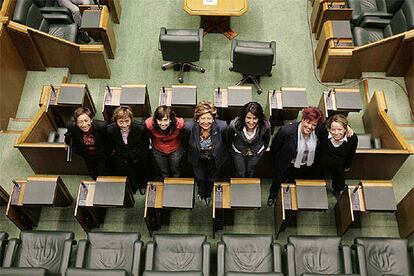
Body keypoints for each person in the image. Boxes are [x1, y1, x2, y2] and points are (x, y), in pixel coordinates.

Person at [268, 107, 324, 206]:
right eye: (308, 122)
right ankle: (273, 195)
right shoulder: (286, 131)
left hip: (304, 165)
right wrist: (279, 160)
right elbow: (275, 147)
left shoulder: (318, 131)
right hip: (286, 163)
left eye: (314, 124)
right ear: (302, 119)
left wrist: (348, 129)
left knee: (294, 181)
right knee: (278, 180)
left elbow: (333, 123)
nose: (310, 126)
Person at [184, 101, 228, 205]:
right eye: (203, 118)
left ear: (213, 119)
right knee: (200, 177)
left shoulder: (222, 126)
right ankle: (201, 191)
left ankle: (208, 193)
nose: (206, 122)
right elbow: (185, 143)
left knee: (212, 177)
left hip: (215, 158)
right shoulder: (189, 128)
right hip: (197, 158)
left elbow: (226, 142)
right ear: (197, 119)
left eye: (209, 118)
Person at [106, 106, 150, 195]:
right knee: (129, 172)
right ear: (116, 121)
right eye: (121, 122)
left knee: (141, 171)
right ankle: (133, 187)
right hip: (122, 155)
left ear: (131, 119)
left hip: (138, 154)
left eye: (127, 121)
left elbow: (145, 142)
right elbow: (111, 144)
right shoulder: (110, 130)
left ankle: (142, 186)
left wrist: (142, 153)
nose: (124, 125)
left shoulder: (140, 128)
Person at [316, 114, 358, 196]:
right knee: (317, 176)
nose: (336, 133)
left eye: (340, 129)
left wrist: (347, 165)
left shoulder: (352, 138)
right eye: (333, 129)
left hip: (339, 164)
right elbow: (318, 123)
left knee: (339, 181)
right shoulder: (324, 131)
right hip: (322, 160)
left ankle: (337, 191)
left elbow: (351, 153)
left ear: (345, 129)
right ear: (329, 129)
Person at [227, 102, 270, 177]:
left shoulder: (265, 125)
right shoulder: (234, 124)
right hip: (238, 150)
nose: (251, 122)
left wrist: (262, 149)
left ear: (259, 118)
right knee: (240, 171)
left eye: (255, 118)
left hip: (256, 151)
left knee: (251, 170)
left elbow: (266, 139)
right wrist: (231, 148)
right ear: (244, 117)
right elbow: (229, 138)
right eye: (248, 118)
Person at [64, 107, 108, 180]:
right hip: (86, 153)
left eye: (86, 120)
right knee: (92, 171)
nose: (84, 125)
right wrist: (67, 143)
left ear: (91, 120)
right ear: (76, 123)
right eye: (80, 122)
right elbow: (68, 135)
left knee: (103, 171)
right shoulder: (72, 126)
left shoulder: (102, 126)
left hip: (100, 153)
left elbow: (108, 139)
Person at [145, 106, 185, 178]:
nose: (162, 124)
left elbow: (182, 135)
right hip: (158, 149)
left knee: (175, 169)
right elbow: (150, 135)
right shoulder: (150, 125)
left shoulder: (179, 124)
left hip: (175, 149)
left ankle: (176, 184)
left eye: (165, 120)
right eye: (159, 120)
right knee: (164, 170)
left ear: (171, 119)